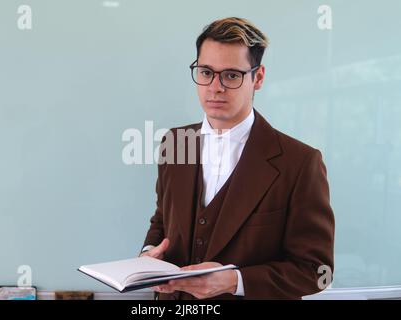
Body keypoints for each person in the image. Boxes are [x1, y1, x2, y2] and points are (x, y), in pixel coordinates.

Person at [140, 17, 334, 300]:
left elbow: (318, 271)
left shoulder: (301, 162)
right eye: (206, 72)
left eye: (231, 75)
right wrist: (148, 256)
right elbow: (161, 222)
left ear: (258, 78)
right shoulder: (174, 142)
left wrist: (234, 281)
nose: (215, 87)